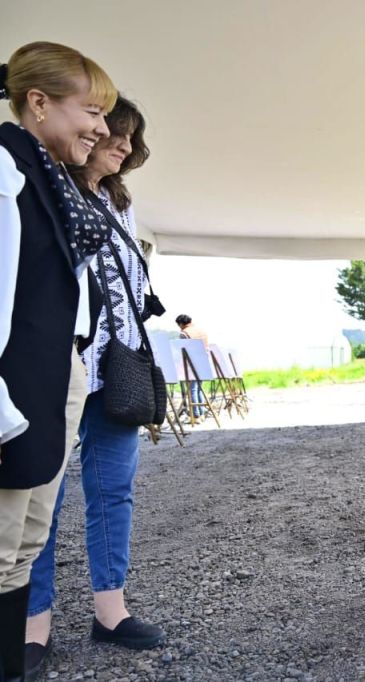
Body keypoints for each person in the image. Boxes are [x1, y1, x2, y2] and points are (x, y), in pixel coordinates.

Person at [22, 95, 162, 678]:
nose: (123, 144)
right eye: (113, 132)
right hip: (60, 367)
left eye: (130, 137)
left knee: (115, 492)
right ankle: (33, 625)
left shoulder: (119, 204)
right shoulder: (48, 187)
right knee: (40, 499)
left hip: (117, 372)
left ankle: (111, 611)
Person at [0, 42, 116, 681]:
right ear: (38, 104)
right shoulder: (5, 168)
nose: (102, 128)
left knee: (23, 547)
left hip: (54, 376)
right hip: (13, 392)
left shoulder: (52, 178)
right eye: (91, 110)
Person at [175, 314, 208, 418]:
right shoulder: (201, 331)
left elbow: (182, 350)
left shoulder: (184, 333)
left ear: (181, 324)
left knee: (192, 389)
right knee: (199, 388)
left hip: (191, 364)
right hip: (204, 363)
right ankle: (202, 411)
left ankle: (196, 414)